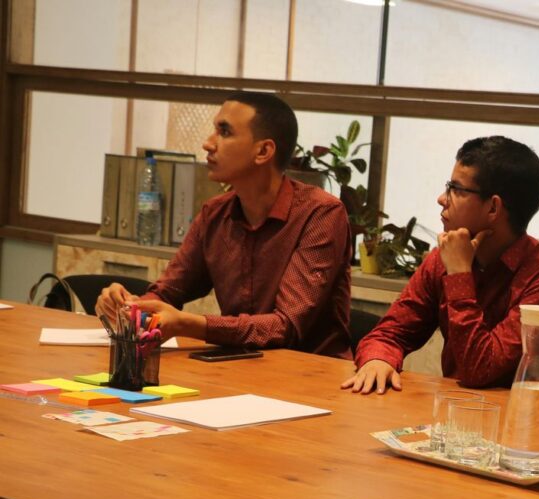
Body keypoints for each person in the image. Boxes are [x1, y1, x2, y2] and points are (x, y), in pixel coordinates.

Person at [95, 91, 353, 358]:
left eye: (225, 132)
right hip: (237, 366)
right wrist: (130, 305)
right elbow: (168, 292)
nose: (208, 144)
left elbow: (284, 327)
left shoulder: (321, 214)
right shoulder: (215, 213)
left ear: (263, 151)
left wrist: (187, 323)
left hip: (311, 376)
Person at [342, 136, 539, 394]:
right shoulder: (442, 259)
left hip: (519, 422)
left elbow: (479, 370)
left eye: (456, 189)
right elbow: (389, 333)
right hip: (456, 416)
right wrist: (378, 359)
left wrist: (460, 274)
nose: (442, 198)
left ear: (493, 208)